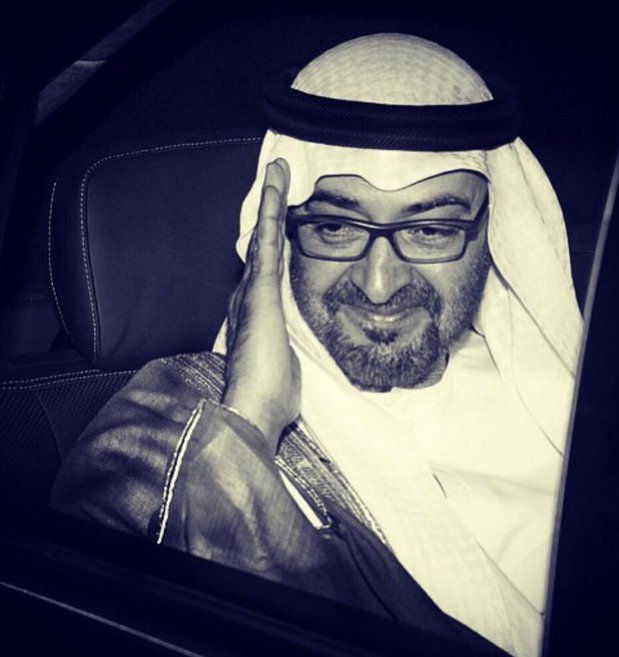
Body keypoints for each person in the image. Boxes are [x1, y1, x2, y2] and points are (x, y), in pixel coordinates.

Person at [51, 33, 583, 657]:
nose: (379, 285)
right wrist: (251, 418)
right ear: (282, 232)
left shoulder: (573, 405)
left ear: (494, 230)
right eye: (334, 226)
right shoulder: (162, 427)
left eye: (431, 229)